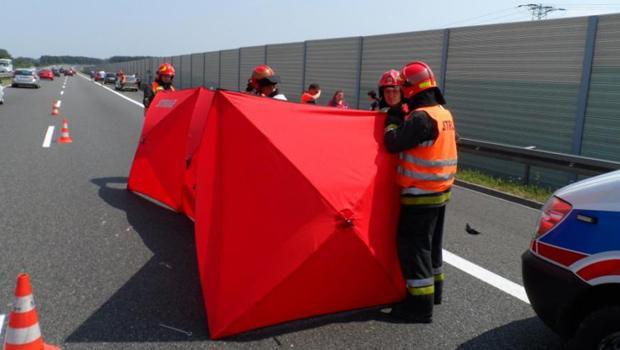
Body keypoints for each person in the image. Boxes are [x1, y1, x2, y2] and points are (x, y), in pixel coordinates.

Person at [383, 61, 457, 323]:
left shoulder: (420, 118)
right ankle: (435, 293)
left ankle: (419, 307)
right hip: (440, 191)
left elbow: (393, 143)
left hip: (420, 193)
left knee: (414, 248)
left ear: (411, 89)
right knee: (431, 245)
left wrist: (391, 121)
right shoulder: (442, 113)